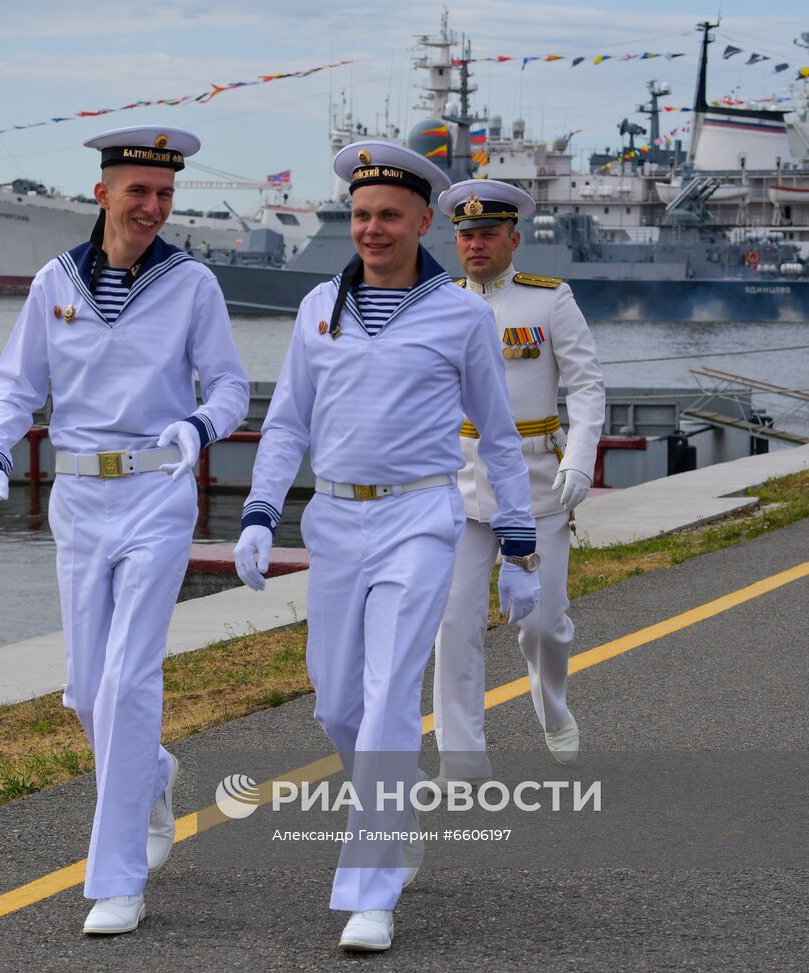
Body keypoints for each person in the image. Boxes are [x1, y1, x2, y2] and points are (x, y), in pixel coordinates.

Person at [232, 142, 539, 952]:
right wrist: (261, 510)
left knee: (392, 696)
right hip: (333, 520)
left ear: (423, 221)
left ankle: (369, 895)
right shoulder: (315, 310)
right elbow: (289, 420)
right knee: (336, 702)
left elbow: (500, 439)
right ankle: (393, 817)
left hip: (419, 517)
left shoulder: (461, 315)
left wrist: (519, 545)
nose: (372, 229)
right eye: (362, 215)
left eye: (389, 216)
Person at [0, 125, 249, 936]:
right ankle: (151, 771)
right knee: (88, 692)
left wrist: (197, 429)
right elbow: (17, 385)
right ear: (103, 194)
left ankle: (117, 879)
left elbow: (229, 386)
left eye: (165, 194)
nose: (154, 207)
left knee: (130, 680)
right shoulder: (53, 284)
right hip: (79, 501)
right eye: (140, 192)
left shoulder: (192, 283)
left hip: (158, 492)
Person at [431, 179, 605, 779]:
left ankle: (552, 706)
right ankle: (462, 757)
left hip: (535, 483)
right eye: (465, 235)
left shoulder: (549, 300)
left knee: (543, 626)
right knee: (453, 622)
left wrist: (580, 455)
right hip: (459, 482)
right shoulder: (438, 302)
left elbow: (585, 384)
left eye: (486, 234)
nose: (475, 245)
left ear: (514, 239)